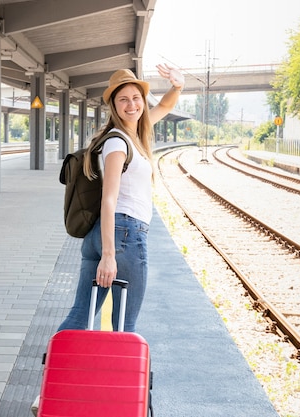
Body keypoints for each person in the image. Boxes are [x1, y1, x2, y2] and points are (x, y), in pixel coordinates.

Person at [57, 64, 184, 332]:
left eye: (136, 98)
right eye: (123, 99)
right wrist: (109, 256)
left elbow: (163, 107)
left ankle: (54, 370)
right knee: (124, 324)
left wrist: (177, 86)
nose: (132, 105)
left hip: (103, 236)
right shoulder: (117, 143)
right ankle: (118, 374)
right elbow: (108, 200)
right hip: (123, 235)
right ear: (114, 105)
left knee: (81, 314)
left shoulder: (133, 135)